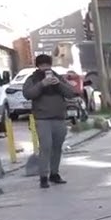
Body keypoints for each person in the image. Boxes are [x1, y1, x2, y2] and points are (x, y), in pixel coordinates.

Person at [22, 54, 79, 188]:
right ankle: (43, 176)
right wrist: (41, 85)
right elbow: (28, 94)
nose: (45, 68)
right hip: (42, 119)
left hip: (59, 118)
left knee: (57, 147)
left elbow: (71, 93)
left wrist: (58, 84)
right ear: (38, 66)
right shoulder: (33, 79)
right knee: (46, 147)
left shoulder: (58, 77)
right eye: (42, 65)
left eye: (47, 65)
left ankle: (55, 173)